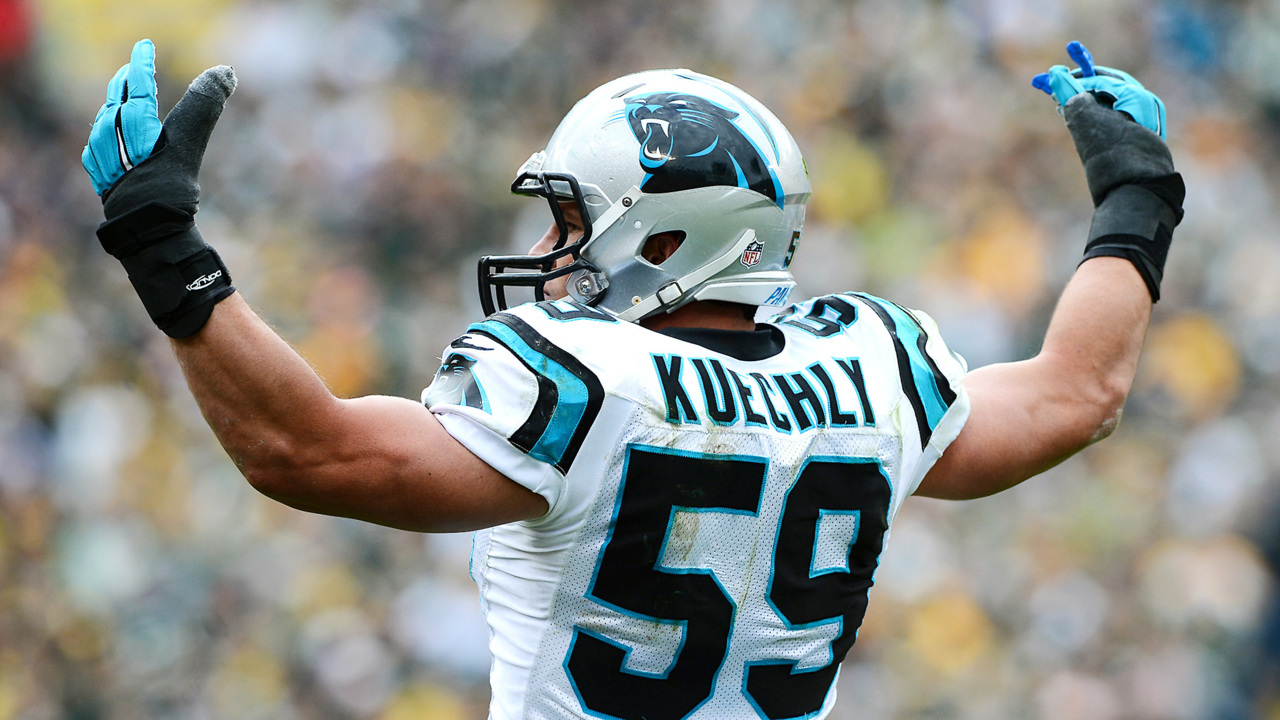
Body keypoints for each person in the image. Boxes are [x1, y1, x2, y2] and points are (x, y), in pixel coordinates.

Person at [81, 38, 1182, 720]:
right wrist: (1133, 203)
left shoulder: (579, 379)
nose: (556, 249)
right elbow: (1075, 394)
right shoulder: (872, 365)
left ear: (666, 240)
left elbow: (304, 450)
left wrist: (165, 250)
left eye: (574, 219)